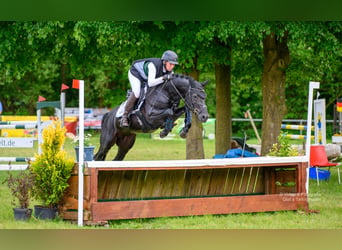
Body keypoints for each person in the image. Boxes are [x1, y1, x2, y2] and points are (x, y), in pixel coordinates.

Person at [120, 50, 179, 128]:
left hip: (147, 77)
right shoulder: (153, 66)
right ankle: (124, 116)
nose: (172, 66)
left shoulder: (170, 72)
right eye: (170, 64)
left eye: (173, 65)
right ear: (164, 62)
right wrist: (163, 78)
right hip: (136, 73)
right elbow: (150, 83)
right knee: (137, 92)